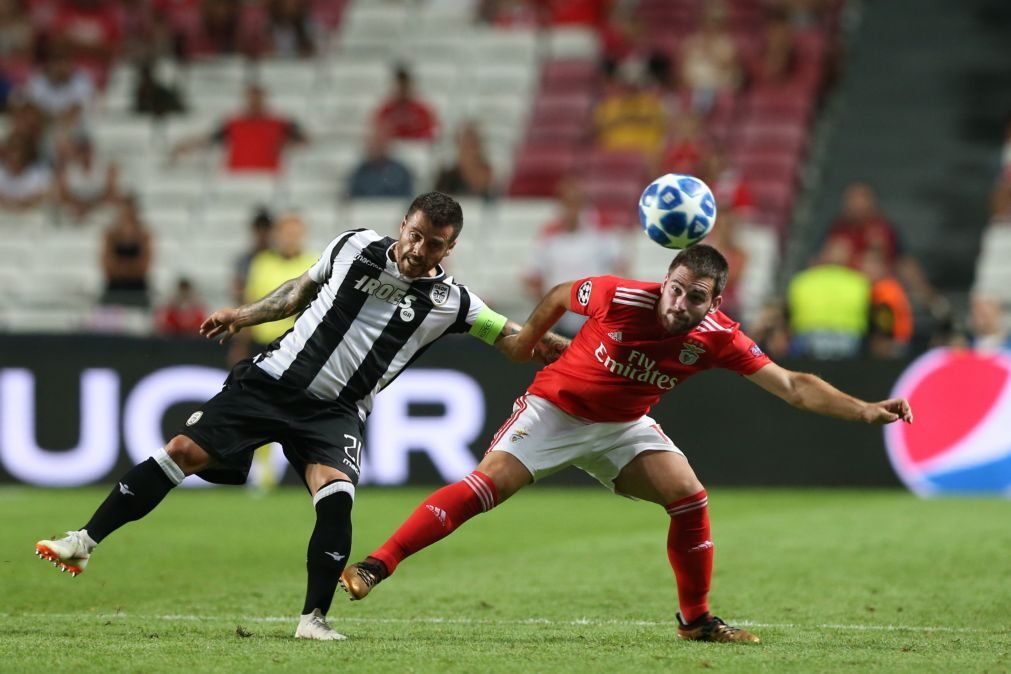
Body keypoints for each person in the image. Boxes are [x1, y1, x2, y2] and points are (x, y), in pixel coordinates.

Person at [34, 192, 569, 642]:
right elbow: (298, 292)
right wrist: (242, 314)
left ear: (450, 248)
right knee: (181, 451)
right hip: (270, 382)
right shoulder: (354, 245)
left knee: (336, 496)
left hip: (335, 411)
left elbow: (514, 338)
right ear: (402, 224)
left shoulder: (453, 302)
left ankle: (312, 619)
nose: (418, 249)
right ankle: (82, 542)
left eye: (434, 244)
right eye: (415, 234)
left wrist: (567, 346)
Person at [338, 244, 913, 644]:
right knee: (484, 488)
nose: (679, 304)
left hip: (623, 427)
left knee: (690, 498)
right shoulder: (620, 296)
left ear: (715, 305)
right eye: (677, 289)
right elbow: (563, 292)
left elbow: (792, 386)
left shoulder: (718, 339)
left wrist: (865, 409)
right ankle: (375, 565)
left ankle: (696, 620)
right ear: (664, 282)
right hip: (554, 411)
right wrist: (530, 340)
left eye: (696, 298)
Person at [170, 83, 307, 174]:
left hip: (268, 174)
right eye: (252, 98)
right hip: (237, 174)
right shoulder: (233, 122)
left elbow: (304, 139)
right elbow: (210, 139)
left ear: (264, 99)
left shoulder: (280, 122)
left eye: (258, 98)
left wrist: (288, 144)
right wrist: (187, 145)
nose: (255, 103)